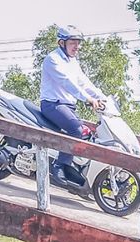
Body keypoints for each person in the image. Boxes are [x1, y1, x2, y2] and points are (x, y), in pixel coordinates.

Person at [39, 25, 107, 189]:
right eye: (73, 43)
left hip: (68, 107)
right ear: (61, 43)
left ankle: (72, 167)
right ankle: (59, 166)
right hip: (52, 105)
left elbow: (84, 82)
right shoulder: (52, 59)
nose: (77, 46)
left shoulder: (73, 62)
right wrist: (88, 99)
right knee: (77, 130)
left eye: (78, 43)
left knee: (87, 133)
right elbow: (67, 83)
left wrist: (102, 97)